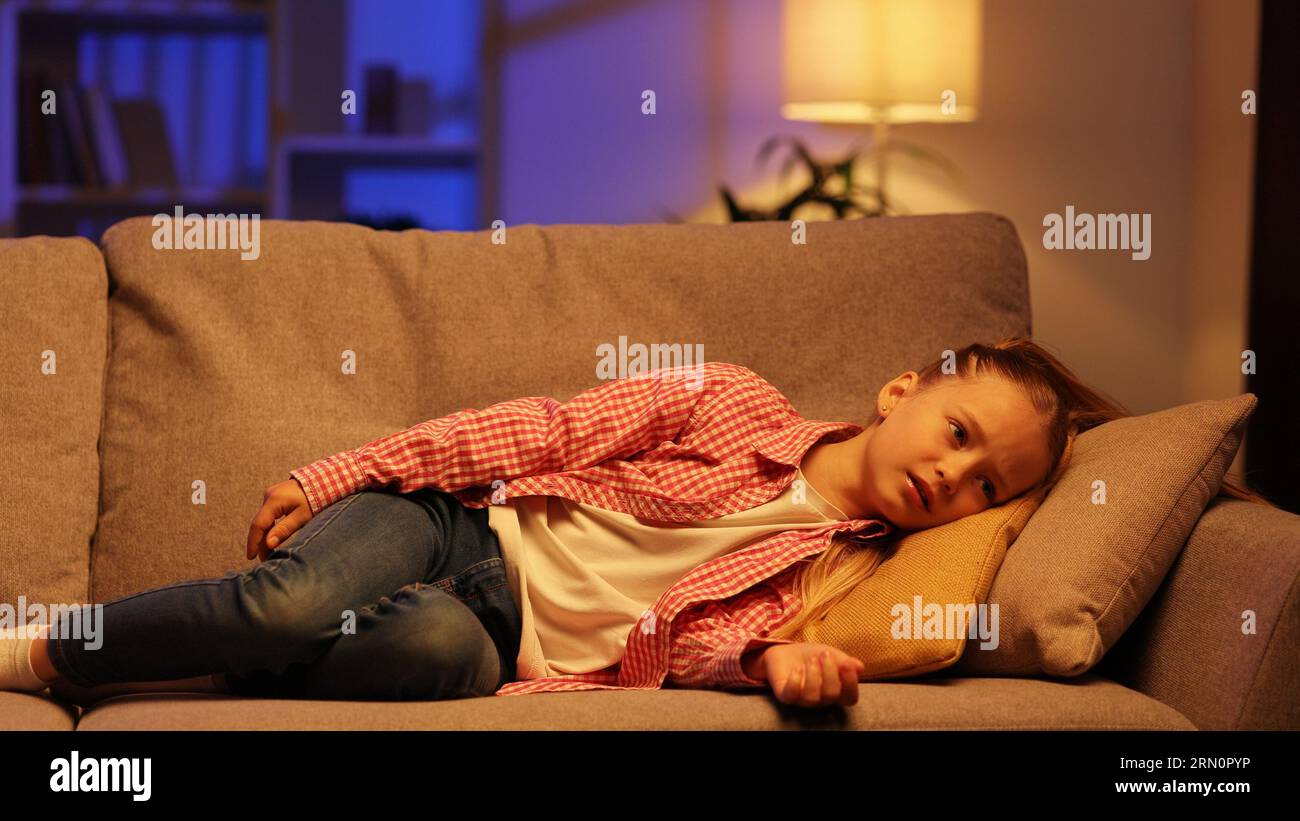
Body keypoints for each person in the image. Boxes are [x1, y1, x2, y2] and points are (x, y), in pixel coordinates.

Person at [0, 337, 1276, 710]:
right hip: (454, 534)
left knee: (436, 659)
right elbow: (545, 429)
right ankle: (47, 650)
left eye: (988, 483)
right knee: (286, 596)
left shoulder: (837, 577)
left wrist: (786, 662)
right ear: (900, 391)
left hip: (490, 636)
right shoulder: (734, 401)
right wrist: (356, 469)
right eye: (954, 432)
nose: (955, 478)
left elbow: (718, 647)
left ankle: (240, 654)